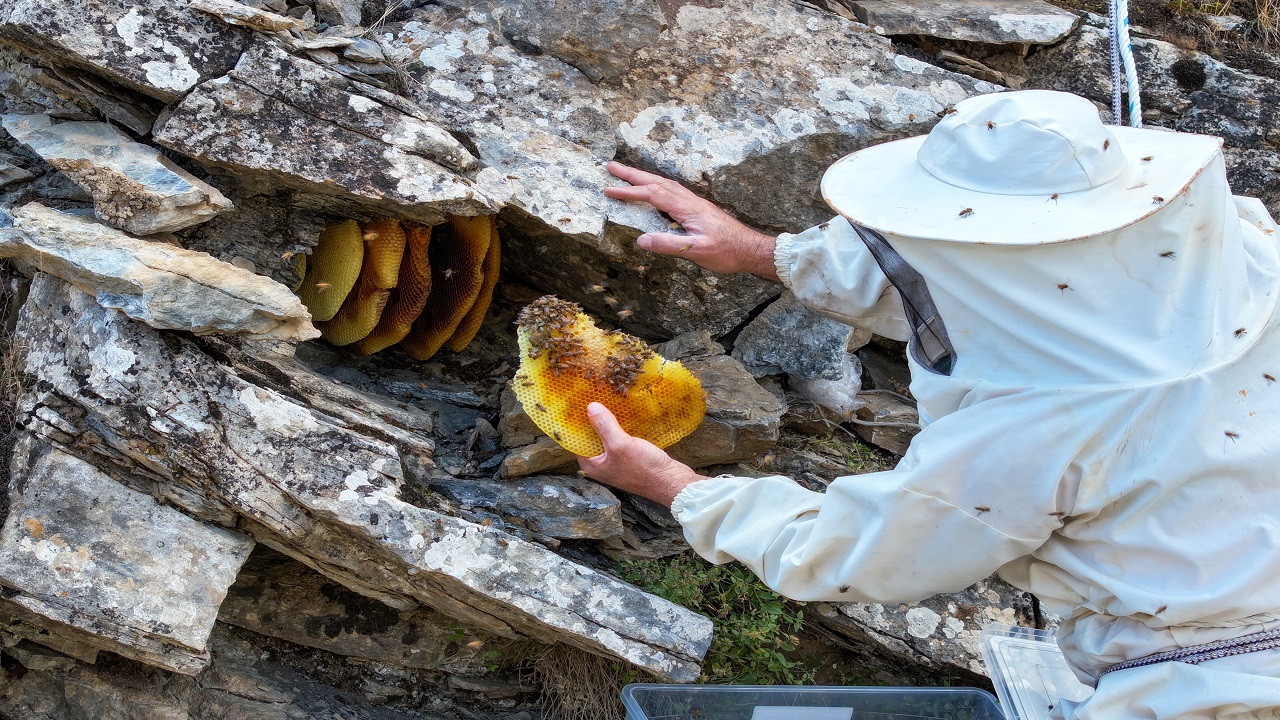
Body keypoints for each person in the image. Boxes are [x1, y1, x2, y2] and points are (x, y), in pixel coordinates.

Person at [578, 89, 1280, 718]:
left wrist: (677, 487)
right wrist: (762, 252)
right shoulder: (1249, 255)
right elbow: (963, 281)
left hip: (1205, 694)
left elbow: (859, 551)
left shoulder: (1035, 431)